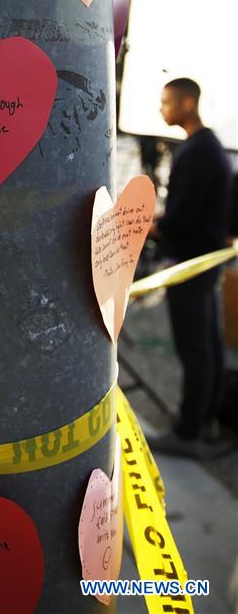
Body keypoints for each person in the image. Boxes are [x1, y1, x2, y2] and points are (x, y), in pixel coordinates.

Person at [149, 78, 232, 457]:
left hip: (190, 265)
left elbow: (183, 218)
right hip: (205, 261)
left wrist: (156, 226)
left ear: (187, 102)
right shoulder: (209, 146)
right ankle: (206, 420)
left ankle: (187, 434)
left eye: (167, 102)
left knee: (195, 349)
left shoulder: (197, 151)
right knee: (209, 344)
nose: (162, 109)